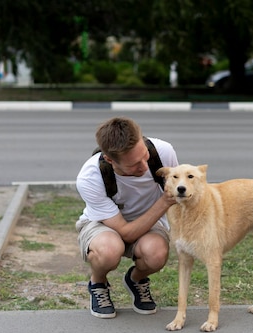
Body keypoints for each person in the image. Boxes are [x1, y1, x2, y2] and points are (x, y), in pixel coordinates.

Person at [76, 117, 179, 318]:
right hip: (103, 225)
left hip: (149, 220)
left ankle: (136, 279)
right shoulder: (90, 177)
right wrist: (164, 202)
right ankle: (98, 282)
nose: (143, 166)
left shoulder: (163, 152)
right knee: (108, 250)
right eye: (133, 164)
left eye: (144, 156)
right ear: (110, 160)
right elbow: (125, 233)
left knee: (156, 254)